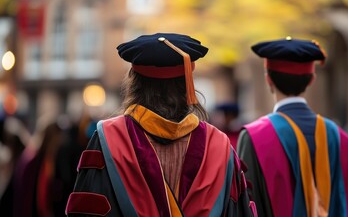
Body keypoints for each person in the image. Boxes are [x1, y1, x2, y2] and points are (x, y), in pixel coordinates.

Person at [66, 33, 256, 216]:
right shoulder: (219, 144)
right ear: (186, 85)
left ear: (135, 81)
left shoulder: (107, 137)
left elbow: (89, 210)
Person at [237, 37, 348, 217]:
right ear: (311, 79)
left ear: (268, 79)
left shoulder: (254, 137)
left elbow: (246, 206)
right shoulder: (340, 137)